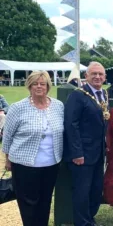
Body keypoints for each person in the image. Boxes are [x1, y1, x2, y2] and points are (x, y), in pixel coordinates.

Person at [2, 71, 64, 226]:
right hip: (24, 164)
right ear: (29, 86)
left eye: (42, 83)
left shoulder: (58, 106)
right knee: (28, 204)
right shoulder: (17, 108)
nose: (39, 86)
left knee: (45, 201)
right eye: (35, 83)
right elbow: (8, 136)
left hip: (51, 163)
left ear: (48, 86)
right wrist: (7, 159)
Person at [64, 61, 109, 226]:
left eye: (100, 74)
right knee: (82, 191)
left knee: (96, 189)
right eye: (94, 74)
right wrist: (77, 153)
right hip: (82, 154)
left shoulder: (104, 94)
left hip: (98, 152)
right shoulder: (78, 95)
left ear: (104, 77)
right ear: (86, 76)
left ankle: (90, 218)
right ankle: (82, 223)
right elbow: (71, 124)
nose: (97, 77)